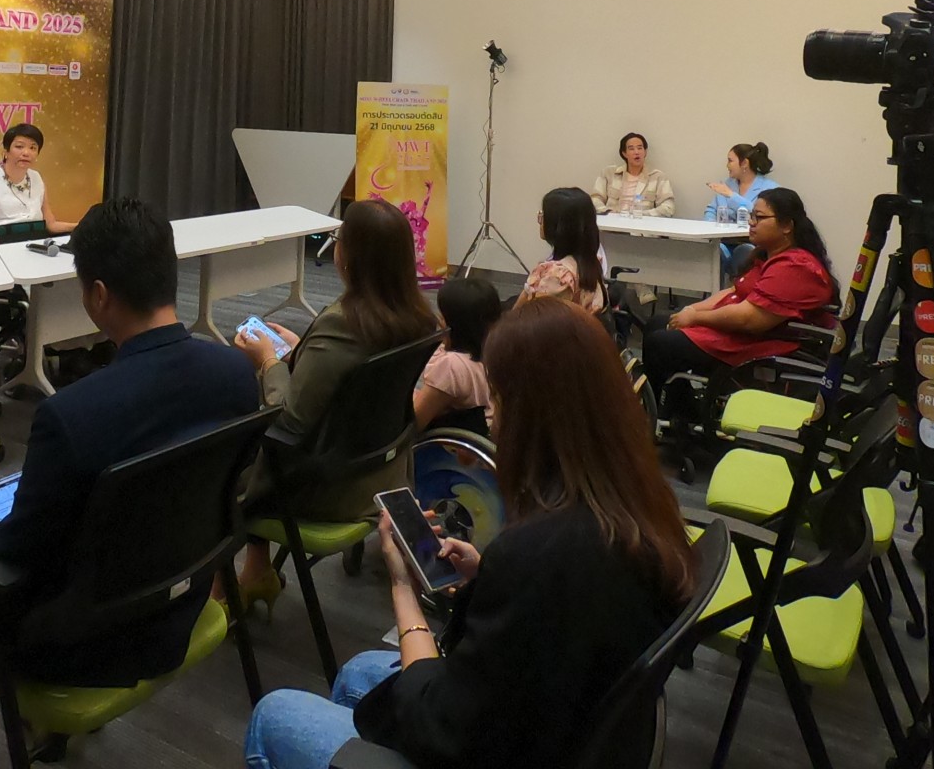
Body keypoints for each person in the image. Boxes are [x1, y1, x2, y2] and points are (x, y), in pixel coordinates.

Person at [0, 197, 258, 769]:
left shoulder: (72, 415)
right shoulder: (236, 374)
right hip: (181, 607)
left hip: (85, 645)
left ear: (98, 295)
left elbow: (16, 560)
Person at [242, 295, 696, 769]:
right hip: (574, 727)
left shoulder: (537, 552)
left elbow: (436, 722)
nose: (491, 415)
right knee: (358, 673)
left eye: (497, 397)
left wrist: (403, 588)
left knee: (273, 714)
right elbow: (554, 618)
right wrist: (487, 576)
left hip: (498, 745)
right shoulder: (637, 508)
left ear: (534, 412)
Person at [228, 198, 441, 609]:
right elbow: (350, 385)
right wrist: (304, 349)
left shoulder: (343, 323)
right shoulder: (418, 317)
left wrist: (268, 362)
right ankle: (255, 572)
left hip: (327, 486)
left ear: (350, 256)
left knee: (220, 462)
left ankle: (228, 589)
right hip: (382, 472)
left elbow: (289, 421)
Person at [640, 187, 836, 405]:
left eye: (759, 217)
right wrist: (692, 310)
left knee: (661, 343)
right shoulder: (768, 256)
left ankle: (655, 412)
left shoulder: (796, 266)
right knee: (657, 323)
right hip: (746, 333)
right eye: (752, 216)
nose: (751, 222)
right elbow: (734, 291)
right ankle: (678, 406)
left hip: (767, 342)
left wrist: (695, 318)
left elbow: (749, 319)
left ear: (787, 226)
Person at [415, 275, 502, 433]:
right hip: (486, 430)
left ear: (453, 323)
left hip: (452, 440)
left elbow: (416, 422)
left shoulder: (452, 366)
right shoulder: (497, 350)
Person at [520, 187, 608, 314]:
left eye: (543, 215)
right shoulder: (591, 261)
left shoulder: (557, 276)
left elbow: (528, 317)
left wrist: (528, 289)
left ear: (558, 227)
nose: (540, 221)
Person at [591, 132, 675, 217]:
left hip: (642, 223)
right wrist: (608, 213)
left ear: (645, 152)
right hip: (611, 222)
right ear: (624, 153)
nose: (636, 152)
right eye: (631, 149)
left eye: (640, 148)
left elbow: (668, 207)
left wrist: (641, 215)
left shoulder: (658, 177)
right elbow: (595, 199)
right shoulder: (609, 173)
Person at [701, 142, 779, 224]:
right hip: (723, 232)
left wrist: (731, 195)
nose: (727, 165)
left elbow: (759, 215)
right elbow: (711, 210)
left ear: (744, 163)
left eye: (730, 161)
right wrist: (711, 226)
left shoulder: (771, 189)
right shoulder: (726, 183)